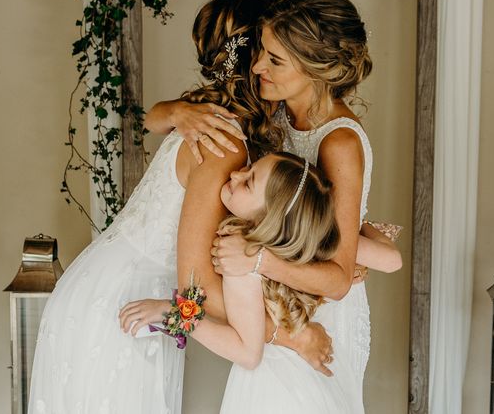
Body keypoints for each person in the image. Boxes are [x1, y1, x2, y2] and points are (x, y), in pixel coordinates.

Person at [28, 0, 332, 414]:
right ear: (253, 57)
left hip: (128, 294)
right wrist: (290, 334)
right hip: (125, 305)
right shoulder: (224, 142)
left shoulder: (214, 118)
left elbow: (155, 116)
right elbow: (198, 286)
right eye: (274, 50)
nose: (277, 61)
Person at [148, 0, 392, 407]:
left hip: (314, 309)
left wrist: (259, 260)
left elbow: (336, 279)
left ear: (318, 68)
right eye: (262, 52)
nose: (257, 66)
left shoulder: (339, 144)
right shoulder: (272, 110)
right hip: (274, 297)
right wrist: (175, 112)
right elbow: (153, 118)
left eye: (274, 59)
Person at [121, 152, 364, 413]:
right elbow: (389, 259)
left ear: (267, 218)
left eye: (248, 182)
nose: (236, 174)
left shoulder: (239, 257)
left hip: (275, 391)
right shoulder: (280, 249)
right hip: (299, 380)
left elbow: (247, 354)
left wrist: (173, 313)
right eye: (249, 167)